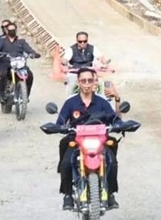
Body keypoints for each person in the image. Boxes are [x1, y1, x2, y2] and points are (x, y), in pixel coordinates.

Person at [52, 67, 122, 210]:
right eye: (83, 81)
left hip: (99, 140)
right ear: (78, 82)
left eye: (90, 80)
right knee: (65, 163)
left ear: (94, 82)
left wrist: (120, 124)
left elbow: (115, 120)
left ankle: (110, 194)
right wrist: (59, 127)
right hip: (77, 140)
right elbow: (60, 122)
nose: (87, 84)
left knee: (112, 162)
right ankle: (67, 195)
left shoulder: (102, 102)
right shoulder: (70, 102)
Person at [0, 22, 42, 103]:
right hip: (5, 63)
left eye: (13, 30)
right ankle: (0, 95)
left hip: (19, 63)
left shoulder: (21, 41)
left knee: (30, 75)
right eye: (10, 30)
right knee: (1, 74)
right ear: (7, 31)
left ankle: (26, 95)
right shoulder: (2, 40)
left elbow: (28, 49)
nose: (12, 31)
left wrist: (33, 54)